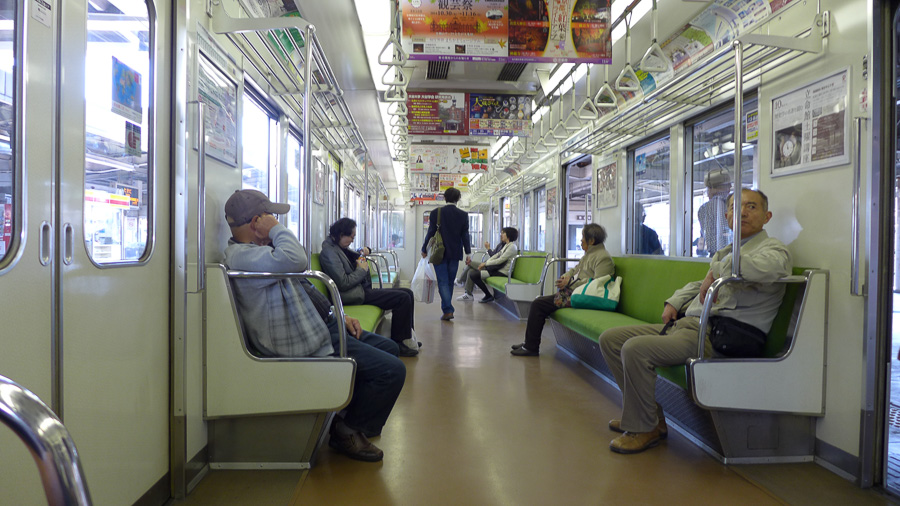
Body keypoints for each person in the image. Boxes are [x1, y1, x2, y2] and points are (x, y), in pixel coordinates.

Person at [599, 189, 791, 454]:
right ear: (727, 217)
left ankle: (644, 428)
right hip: (687, 326)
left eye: (751, 207)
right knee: (611, 339)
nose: (742, 212)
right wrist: (674, 301)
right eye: (735, 208)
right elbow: (700, 283)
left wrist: (716, 270)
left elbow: (757, 269)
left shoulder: (775, 251)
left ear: (767, 216)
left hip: (715, 335)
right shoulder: (727, 251)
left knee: (635, 349)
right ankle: (646, 415)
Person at [222, 189, 405, 463]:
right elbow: (297, 260)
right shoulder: (241, 257)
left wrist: (338, 315)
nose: (274, 221)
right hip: (303, 340)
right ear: (256, 221)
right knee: (392, 371)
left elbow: (306, 288)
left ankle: (348, 416)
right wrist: (277, 230)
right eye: (270, 216)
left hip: (319, 326)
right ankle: (347, 431)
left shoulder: (264, 253)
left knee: (390, 348)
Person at [511, 223, 614, 356]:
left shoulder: (603, 257)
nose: (581, 240)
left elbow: (598, 283)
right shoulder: (589, 255)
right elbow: (574, 270)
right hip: (575, 293)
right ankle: (528, 343)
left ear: (592, 240)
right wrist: (566, 277)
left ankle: (531, 347)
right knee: (541, 302)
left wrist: (569, 282)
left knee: (539, 304)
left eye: (583, 237)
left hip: (586, 298)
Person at [321, 218, 419, 357]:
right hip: (352, 295)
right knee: (402, 298)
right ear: (341, 234)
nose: (352, 241)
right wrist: (361, 270)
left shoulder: (339, 247)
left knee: (408, 293)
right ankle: (399, 342)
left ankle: (408, 337)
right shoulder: (329, 253)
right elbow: (343, 283)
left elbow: (352, 256)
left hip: (359, 290)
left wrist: (363, 251)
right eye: (351, 237)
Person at [421, 187, 471, 321]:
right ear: (458, 199)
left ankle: (448, 310)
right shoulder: (463, 215)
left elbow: (430, 233)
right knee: (449, 282)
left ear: (444, 198)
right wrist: (468, 253)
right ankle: (447, 309)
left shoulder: (436, 213)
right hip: (455, 253)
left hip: (439, 252)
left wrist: (424, 249)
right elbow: (465, 235)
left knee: (442, 282)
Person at [459, 227, 519, 303]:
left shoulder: (512, 247)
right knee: (471, 272)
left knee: (473, 274)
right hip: (497, 270)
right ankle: (484, 295)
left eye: (503, 233)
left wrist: (485, 264)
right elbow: (496, 255)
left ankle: (461, 282)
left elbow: (500, 260)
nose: (501, 235)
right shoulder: (507, 245)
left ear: (509, 235)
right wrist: (485, 263)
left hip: (502, 272)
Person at [697, 168, 733, 257]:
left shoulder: (704, 209)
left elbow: (709, 239)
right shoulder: (734, 206)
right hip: (732, 255)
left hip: (716, 256)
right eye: (728, 184)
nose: (730, 187)